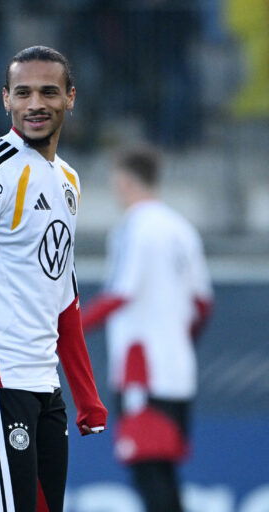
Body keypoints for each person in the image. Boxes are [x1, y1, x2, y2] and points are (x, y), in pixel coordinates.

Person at [0, 46, 108, 512]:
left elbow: (64, 296)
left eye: (49, 92)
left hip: (43, 383)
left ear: (70, 98)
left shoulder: (67, 179)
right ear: (5, 99)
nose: (36, 104)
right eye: (24, 92)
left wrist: (85, 393)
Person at [81, 147, 213, 512]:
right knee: (163, 471)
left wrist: (67, 331)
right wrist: (179, 344)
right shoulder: (181, 228)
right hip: (177, 371)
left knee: (148, 471)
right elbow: (202, 304)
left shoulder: (135, 228)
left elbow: (120, 293)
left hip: (144, 369)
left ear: (123, 181)